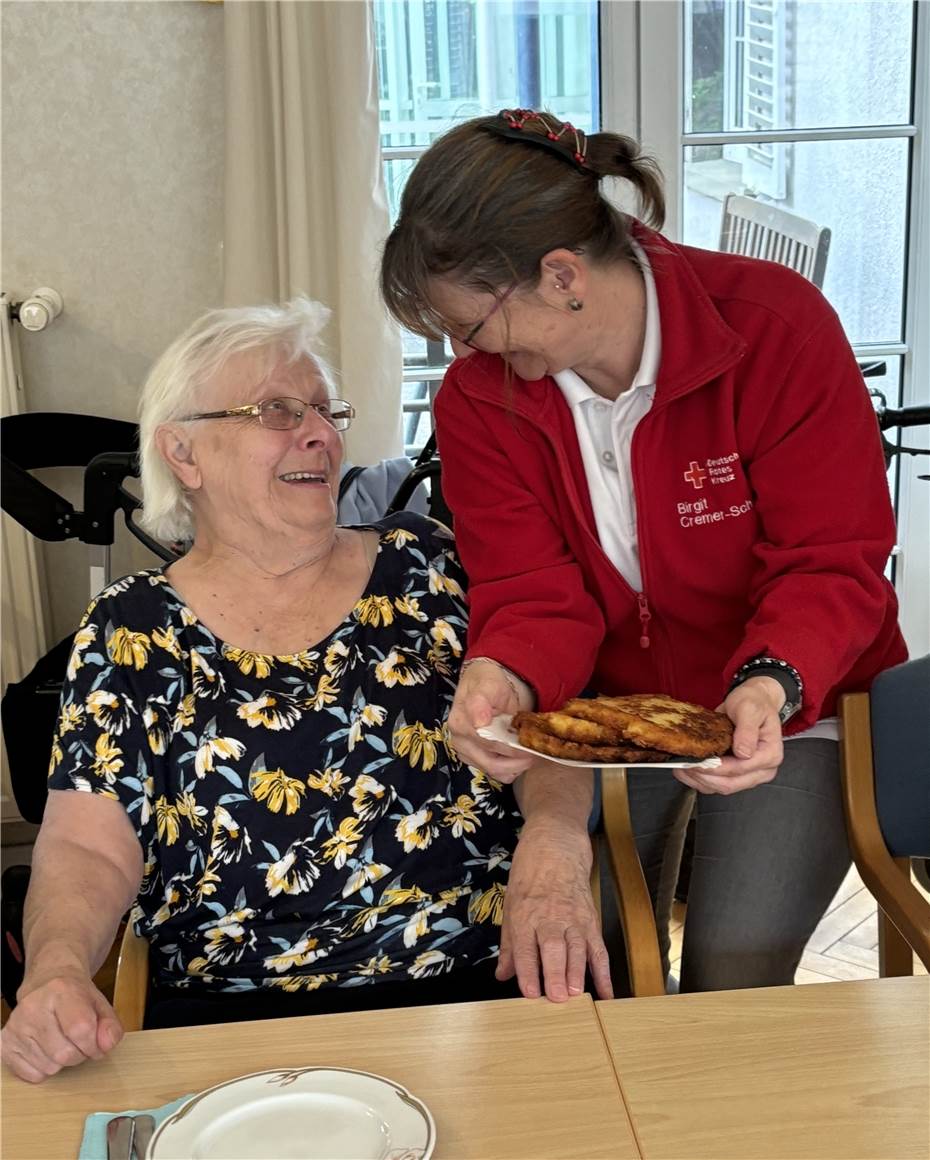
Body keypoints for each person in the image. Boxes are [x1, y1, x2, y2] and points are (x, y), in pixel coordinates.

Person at [2, 297, 610, 1085]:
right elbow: (86, 846)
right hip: (230, 1018)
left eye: (326, 410)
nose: (320, 434)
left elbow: (553, 728)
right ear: (184, 455)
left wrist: (557, 845)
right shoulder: (131, 631)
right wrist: (53, 969)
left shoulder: (430, 568)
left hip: (476, 985)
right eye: (278, 412)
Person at [380, 108, 907, 994]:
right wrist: (503, 669)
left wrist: (771, 680)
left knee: (729, 974)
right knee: (595, 973)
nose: (463, 353)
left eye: (469, 325)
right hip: (617, 706)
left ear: (561, 276)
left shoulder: (775, 327)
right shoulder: (481, 400)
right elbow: (530, 587)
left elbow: (832, 559)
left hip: (795, 701)